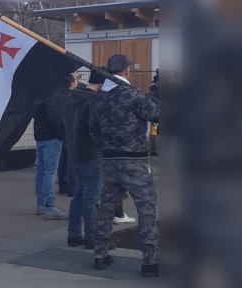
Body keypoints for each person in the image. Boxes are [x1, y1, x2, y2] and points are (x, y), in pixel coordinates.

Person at [89, 54, 160, 277]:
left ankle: (100, 254)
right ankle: (149, 260)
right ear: (127, 71)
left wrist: (108, 147)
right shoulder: (134, 96)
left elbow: (92, 131)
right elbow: (159, 115)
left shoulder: (99, 99)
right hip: (135, 161)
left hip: (110, 161)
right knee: (146, 208)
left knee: (106, 208)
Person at [64, 68, 108, 249]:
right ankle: (92, 237)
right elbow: (98, 130)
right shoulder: (94, 102)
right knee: (92, 198)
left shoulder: (72, 97)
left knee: (79, 195)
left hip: (75, 152)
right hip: (92, 153)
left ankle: (74, 235)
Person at [33, 74, 76, 220]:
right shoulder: (53, 94)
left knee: (41, 170)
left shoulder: (40, 92)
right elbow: (54, 117)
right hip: (51, 136)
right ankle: (49, 206)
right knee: (49, 172)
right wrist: (62, 135)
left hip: (40, 135)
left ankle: (41, 204)